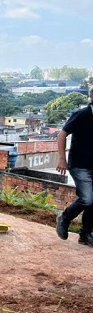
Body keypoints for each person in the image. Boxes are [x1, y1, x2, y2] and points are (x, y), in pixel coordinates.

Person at [56, 87, 93, 247]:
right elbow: (62, 134)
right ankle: (64, 218)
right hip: (79, 165)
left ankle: (85, 234)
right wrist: (62, 158)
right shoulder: (81, 114)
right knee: (87, 199)